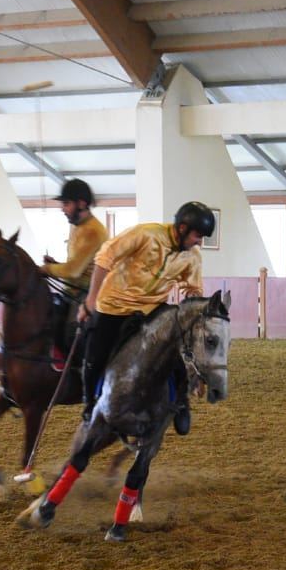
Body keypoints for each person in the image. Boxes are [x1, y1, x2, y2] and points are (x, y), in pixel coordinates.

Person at [80, 201, 211, 433]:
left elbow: (193, 288)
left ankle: (181, 402)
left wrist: (193, 298)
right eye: (197, 236)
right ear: (182, 228)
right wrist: (91, 299)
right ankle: (90, 403)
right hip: (114, 304)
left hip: (152, 307)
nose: (199, 242)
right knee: (94, 357)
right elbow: (105, 256)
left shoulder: (193, 256)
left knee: (178, 346)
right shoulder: (145, 234)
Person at [39, 179, 107, 352]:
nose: (63, 209)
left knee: (71, 332)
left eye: (66, 204)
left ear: (82, 204)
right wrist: (56, 264)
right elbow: (76, 265)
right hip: (73, 291)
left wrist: (46, 269)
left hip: (89, 294)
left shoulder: (93, 231)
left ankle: (78, 372)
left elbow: (74, 271)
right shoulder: (76, 226)